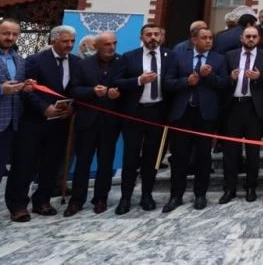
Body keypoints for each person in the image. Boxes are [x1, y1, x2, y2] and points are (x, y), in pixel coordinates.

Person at [5, 26, 79, 222]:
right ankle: (18, 205)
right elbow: (27, 89)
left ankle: (42, 201)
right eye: (65, 41)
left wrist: (73, 108)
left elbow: (76, 89)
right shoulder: (35, 61)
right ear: (54, 40)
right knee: (25, 164)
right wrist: (44, 108)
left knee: (51, 163)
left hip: (60, 123)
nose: (69, 45)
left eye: (72, 41)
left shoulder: (76, 62)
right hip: (34, 121)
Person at [162, 26, 227, 213]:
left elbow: (224, 84)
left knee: (203, 157)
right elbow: (167, 83)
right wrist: (185, 82)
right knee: (179, 156)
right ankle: (176, 195)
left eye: (210, 38)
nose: (208, 41)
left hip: (205, 115)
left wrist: (209, 77)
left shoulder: (219, 59)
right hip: (183, 114)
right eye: (204, 38)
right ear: (194, 40)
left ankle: (200, 194)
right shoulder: (179, 57)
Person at [116, 23, 174, 214]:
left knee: (152, 156)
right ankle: (125, 197)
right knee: (130, 156)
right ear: (142, 37)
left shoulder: (169, 56)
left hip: (157, 112)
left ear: (162, 37)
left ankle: (147, 195)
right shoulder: (129, 57)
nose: (153, 38)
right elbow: (118, 82)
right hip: (134, 112)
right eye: (149, 34)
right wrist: (138, 80)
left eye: (156, 34)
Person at [65, 31, 125, 216]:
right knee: (83, 162)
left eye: (114, 43)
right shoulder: (83, 65)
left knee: (105, 162)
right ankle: (77, 199)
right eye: (107, 44)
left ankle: (101, 198)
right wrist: (92, 91)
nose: (111, 47)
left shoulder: (122, 62)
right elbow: (73, 89)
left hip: (111, 122)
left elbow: (127, 86)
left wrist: (118, 93)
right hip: (87, 121)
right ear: (96, 46)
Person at [220, 26, 263, 204]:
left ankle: (251, 187)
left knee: (253, 152)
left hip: (253, 108)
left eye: (254, 36)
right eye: (248, 36)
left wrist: (260, 77)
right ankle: (230, 188)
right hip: (233, 107)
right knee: (230, 151)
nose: (251, 39)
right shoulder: (230, 56)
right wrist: (230, 78)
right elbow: (220, 82)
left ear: (258, 39)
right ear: (242, 38)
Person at [0, 19, 28, 188]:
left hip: (11, 124)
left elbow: (18, 85)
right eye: (5, 33)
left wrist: (26, 87)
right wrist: (2, 89)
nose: (10, 37)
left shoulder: (19, 60)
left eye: (14, 34)